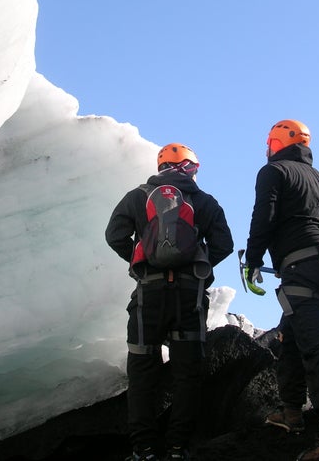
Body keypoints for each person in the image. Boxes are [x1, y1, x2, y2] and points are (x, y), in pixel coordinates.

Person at [106, 143, 234, 461]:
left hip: (148, 296)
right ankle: (178, 448)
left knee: (141, 372)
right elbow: (224, 245)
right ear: (190, 167)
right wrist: (197, 265)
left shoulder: (137, 196)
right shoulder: (204, 202)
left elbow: (114, 235)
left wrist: (141, 259)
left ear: (160, 167)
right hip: (189, 300)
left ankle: (144, 450)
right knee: (187, 375)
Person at [243, 120, 319, 461]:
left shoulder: (274, 171)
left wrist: (253, 260)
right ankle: (291, 412)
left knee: (314, 348)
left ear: (276, 143)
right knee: (289, 337)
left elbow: (264, 216)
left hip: (301, 268)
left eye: (268, 142)